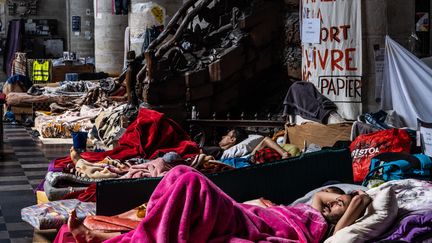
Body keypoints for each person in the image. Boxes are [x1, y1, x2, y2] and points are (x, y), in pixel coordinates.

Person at [68, 165, 372, 243]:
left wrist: (351, 204)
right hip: (244, 214)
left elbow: (361, 199)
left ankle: (105, 237)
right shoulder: (313, 204)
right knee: (179, 176)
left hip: (247, 225)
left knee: (189, 182)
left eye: (339, 208)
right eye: (336, 200)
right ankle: (106, 237)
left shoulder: (323, 230)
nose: (335, 205)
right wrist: (337, 198)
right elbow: (323, 195)